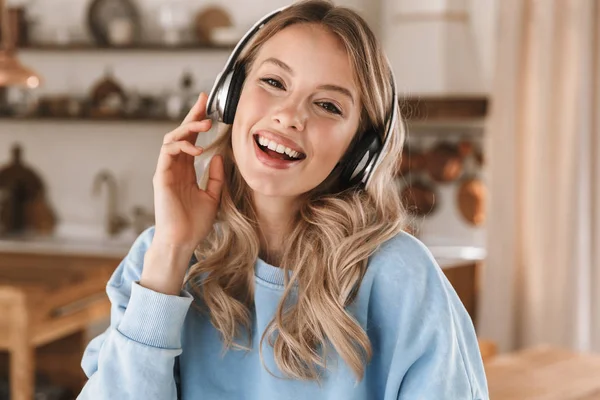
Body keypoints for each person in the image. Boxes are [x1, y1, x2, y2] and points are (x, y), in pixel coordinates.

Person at [77, 1, 489, 399]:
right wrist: (172, 253)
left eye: (328, 105)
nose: (290, 115)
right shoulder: (158, 256)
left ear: (360, 150)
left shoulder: (401, 277)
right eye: (274, 82)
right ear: (231, 96)